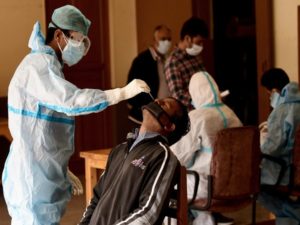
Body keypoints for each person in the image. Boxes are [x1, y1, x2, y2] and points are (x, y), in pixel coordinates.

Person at [2, 5, 150, 225]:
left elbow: (41, 128)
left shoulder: (47, 66)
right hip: (32, 177)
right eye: (77, 40)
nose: (80, 47)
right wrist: (120, 93)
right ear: (59, 35)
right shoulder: (38, 67)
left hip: (38, 168)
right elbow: (72, 101)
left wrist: (60, 166)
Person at [78, 97, 190, 225]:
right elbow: (96, 198)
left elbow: (148, 215)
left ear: (169, 126)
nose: (157, 101)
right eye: (159, 99)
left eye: (165, 105)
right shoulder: (119, 150)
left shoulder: (162, 155)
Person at [170, 72, 242, 225]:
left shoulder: (197, 118)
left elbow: (177, 156)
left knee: (166, 181)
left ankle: (202, 219)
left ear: (195, 93)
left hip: (207, 187)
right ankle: (209, 217)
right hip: (238, 185)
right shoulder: (232, 114)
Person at [258, 68, 300, 225]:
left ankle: (294, 214)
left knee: (253, 184)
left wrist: (260, 145)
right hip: (297, 170)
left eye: (268, 94)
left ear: (275, 91)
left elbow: (272, 149)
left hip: (286, 172)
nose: (269, 98)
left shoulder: (281, 111)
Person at [127, 25, 172, 124]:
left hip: (165, 113)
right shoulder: (141, 60)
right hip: (146, 115)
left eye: (169, 39)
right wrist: (143, 108)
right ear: (154, 40)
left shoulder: (169, 60)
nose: (167, 42)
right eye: (163, 39)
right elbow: (131, 88)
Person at [165, 17, 208, 111]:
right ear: (187, 38)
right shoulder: (173, 62)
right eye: (198, 42)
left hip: (206, 109)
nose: (201, 46)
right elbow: (178, 95)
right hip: (190, 116)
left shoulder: (196, 57)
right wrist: (202, 101)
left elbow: (205, 81)